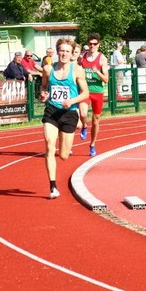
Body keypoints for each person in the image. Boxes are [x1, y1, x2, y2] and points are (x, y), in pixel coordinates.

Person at [40, 39, 89, 199]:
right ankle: (53, 186)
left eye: (67, 51)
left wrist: (72, 101)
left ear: (72, 53)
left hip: (69, 114)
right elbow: (43, 86)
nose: (64, 54)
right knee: (49, 146)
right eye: (62, 50)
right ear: (57, 51)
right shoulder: (48, 69)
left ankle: (75, 128)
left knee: (63, 155)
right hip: (52, 111)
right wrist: (43, 94)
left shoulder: (77, 70)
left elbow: (85, 93)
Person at [78, 33, 109, 157]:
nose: (92, 46)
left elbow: (106, 79)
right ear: (88, 44)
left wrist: (97, 72)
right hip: (85, 91)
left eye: (95, 44)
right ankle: (84, 126)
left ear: (98, 45)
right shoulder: (82, 57)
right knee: (83, 113)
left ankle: (92, 144)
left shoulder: (102, 58)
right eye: (90, 44)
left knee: (96, 121)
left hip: (97, 92)